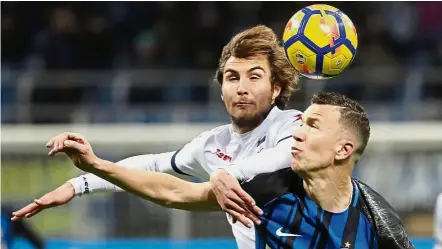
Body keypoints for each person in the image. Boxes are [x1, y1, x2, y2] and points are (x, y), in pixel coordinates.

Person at [12, 25, 302, 249]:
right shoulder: (212, 145)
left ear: (276, 88)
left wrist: (227, 173)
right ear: (221, 87)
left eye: (254, 77)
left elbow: (281, 157)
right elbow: (152, 166)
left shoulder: (294, 126)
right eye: (232, 77)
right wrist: (79, 184)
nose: (241, 88)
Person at [33, 92, 414, 249]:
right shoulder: (266, 191)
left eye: (312, 126)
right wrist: (96, 168)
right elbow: (174, 192)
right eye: (300, 123)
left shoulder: (377, 221)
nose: (297, 132)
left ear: (343, 150)